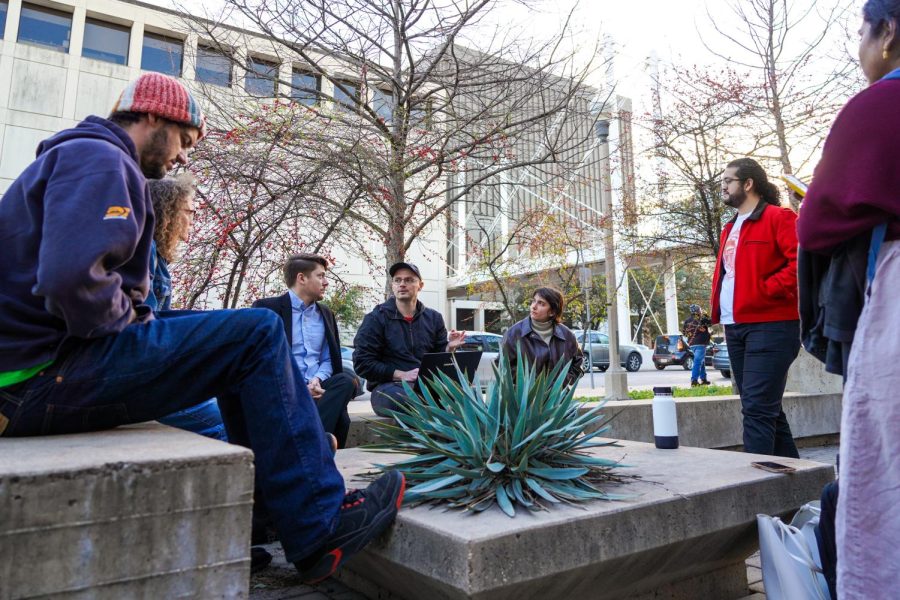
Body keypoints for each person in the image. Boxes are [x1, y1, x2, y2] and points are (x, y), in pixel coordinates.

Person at [0, 72, 403, 583]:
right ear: (152, 117)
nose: (184, 158)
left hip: (36, 373)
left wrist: (139, 318)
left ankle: (262, 517)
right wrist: (128, 324)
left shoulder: (78, 157)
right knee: (257, 331)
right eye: (185, 142)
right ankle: (320, 525)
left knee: (236, 335)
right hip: (42, 379)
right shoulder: (101, 158)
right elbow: (68, 279)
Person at [796, 3, 900, 595]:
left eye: (863, 32)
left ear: (887, 33)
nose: (859, 45)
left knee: (882, 476)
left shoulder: (880, 105)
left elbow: (817, 223)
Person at [709, 158, 800, 458]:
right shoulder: (729, 228)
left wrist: (765, 290)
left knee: (758, 412)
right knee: (764, 409)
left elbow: (801, 263)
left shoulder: (779, 218)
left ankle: (754, 486)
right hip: (735, 326)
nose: (722, 185)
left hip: (772, 326)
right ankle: (798, 484)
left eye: (728, 180)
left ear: (748, 184)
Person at [145, 174, 228, 443]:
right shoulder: (145, 253)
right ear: (168, 211)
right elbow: (146, 330)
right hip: (146, 381)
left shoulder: (158, 258)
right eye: (190, 211)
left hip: (156, 374)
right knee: (227, 421)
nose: (194, 218)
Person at [253, 254, 357, 448]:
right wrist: (301, 385)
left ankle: (309, 445)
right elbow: (262, 361)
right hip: (285, 388)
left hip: (319, 387)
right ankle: (316, 447)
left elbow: (327, 359)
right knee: (339, 417)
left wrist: (315, 380)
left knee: (346, 381)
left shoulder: (326, 313)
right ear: (302, 278)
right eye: (321, 276)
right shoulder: (267, 309)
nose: (326, 282)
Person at [353, 262, 466, 416]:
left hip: (427, 386)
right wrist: (401, 374)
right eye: (397, 280)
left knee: (469, 399)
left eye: (409, 280)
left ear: (420, 285)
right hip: (388, 389)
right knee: (414, 402)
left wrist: (448, 348)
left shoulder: (434, 318)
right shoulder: (376, 319)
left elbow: (436, 357)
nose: (402, 284)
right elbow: (362, 363)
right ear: (392, 285)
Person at [500, 287, 583, 386]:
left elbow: (578, 364)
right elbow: (502, 365)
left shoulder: (567, 335)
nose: (534, 306)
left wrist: (561, 382)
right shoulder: (514, 333)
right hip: (526, 399)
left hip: (558, 399)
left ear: (552, 312)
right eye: (534, 301)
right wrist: (526, 384)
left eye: (541, 303)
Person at [681, 304, 711, 386]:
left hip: (692, 344)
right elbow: (710, 322)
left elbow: (684, 333)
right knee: (698, 361)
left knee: (701, 361)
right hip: (701, 343)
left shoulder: (687, 321)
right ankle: (694, 381)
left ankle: (703, 379)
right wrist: (705, 314)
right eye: (700, 310)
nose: (701, 311)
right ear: (698, 311)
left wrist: (691, 336)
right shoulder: (702, 318)